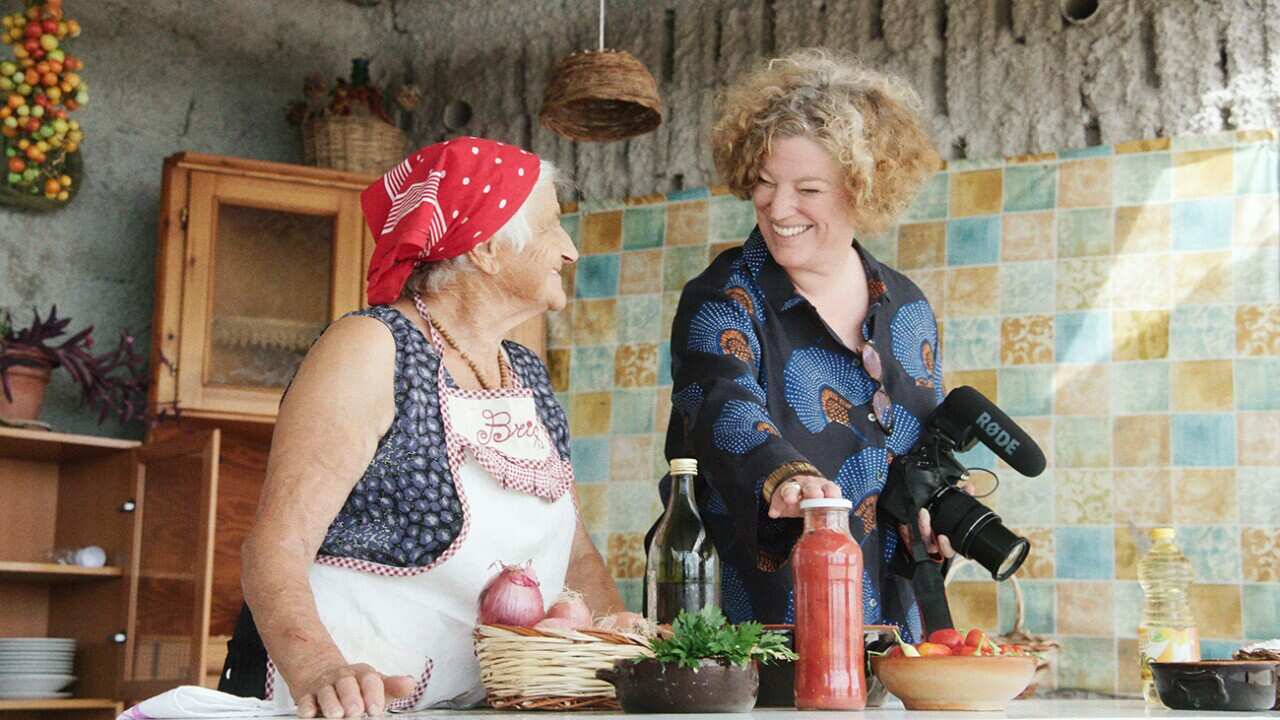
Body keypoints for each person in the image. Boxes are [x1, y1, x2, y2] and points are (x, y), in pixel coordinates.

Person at [219, 137, 623, 717]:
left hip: (468, 704)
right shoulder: (370, 346)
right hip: (343, 703)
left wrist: (614, 634)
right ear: (484, 248)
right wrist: (320, 670)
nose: (570, 251)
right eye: (553, 228)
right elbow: (276, 542)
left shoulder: (525, 371)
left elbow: (573, 547)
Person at [662, 48, 956, 640]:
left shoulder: (908, 308)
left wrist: (938, 504)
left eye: (809, 189)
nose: (779, 207)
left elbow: (919, 446)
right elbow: (721, 403)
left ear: (864, 190)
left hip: (893, 633)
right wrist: (784, 478)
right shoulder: (724, 296)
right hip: (760, 631)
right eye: (766, 184)